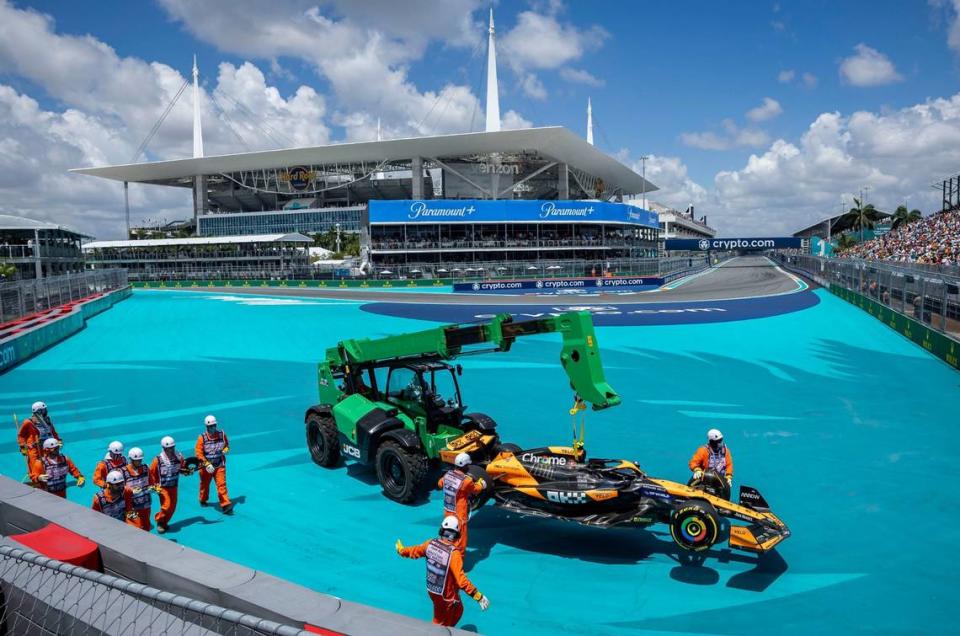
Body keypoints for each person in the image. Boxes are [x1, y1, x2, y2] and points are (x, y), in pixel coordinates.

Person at [396, 516, 489, 627]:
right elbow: (462, 581)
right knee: (438, 624)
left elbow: (414, 550)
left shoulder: (430, 544)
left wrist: (402, 550)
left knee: (458, 610)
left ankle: (448, 629)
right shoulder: (454, 554)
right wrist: (478, 596)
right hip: (447, 598)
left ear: (442, 531)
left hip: (433, 591)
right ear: (456, 535)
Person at [436, 452, 485, 551]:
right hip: (460, 514)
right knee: (461, 538)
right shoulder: (466, 481)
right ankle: (458, 560)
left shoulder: (447, 475)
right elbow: (475, 490)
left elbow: (440, 484)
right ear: (465, 466)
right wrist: (481, 484)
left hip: (448, 511)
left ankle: (446, 552)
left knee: (448, 533)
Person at [149, 435, 191, 534]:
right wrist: (154, 486)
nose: (171, 450)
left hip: (174, 486)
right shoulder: (157, 460)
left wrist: (187, 472)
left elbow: (183, 468)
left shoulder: (179, 457)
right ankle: (159, 520)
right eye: (168, 449)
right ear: (163, 448)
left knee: (172, 507)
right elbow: (151, 474)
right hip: (162, 488)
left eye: (172, 448)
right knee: (166, 505)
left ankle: (164, 523)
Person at [195, 415, 232, 514]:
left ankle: (225, 505)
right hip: (205, 467)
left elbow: (227, 446)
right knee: (205, 485)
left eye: (214, 426)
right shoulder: (201, 438)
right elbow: (198, 453)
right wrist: (206, 464)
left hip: (219, 465)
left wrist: (225, 450)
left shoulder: (222, 434)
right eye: (210, 426)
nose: (212, 428)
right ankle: (203, 499)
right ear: (206, 427)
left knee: (221, 485)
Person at [17, 401, 61, 473]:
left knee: (49, 463)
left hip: (46, 446)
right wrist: (22, 447)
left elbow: (52, 431)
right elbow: (21, 435)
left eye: (45, 410)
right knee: (34, 465)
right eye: (43, 410)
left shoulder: (47, 420)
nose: (45, 411)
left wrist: (58, 440)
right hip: (34, 447)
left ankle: (50, 479)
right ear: (38, 411)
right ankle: (36, 479)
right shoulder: (28, 422)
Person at [121, 447, 153, 531]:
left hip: (145, 504)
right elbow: (120, 489)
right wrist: (130, 491)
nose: (140, 462)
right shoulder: (123, 472)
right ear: (131, 459)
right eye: (137, 460)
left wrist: (153, 488)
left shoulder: (145, 468)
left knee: (146, 526)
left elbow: (151, 482)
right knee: (135, 528)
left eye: (140, 459)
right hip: (131, 506)